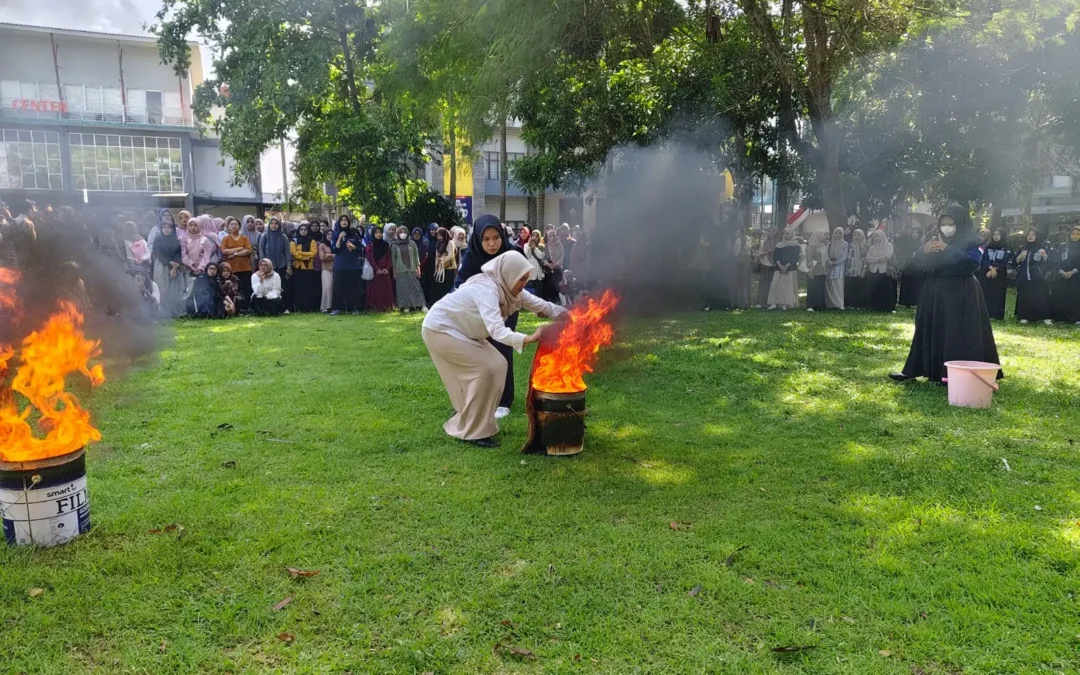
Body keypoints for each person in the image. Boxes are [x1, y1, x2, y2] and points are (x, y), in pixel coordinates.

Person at [422, 252, 567, 448]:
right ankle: (474, 431)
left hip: (463, 332)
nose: (524, 282)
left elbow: (544, 306)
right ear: (508, 273)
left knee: (499, 365)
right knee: (487, 368)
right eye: (521, 277)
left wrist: (575, 316)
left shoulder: (510, 289)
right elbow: (496, 330)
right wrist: (528, 338)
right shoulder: (487, 289)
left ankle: (474, 420)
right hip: (440, 329)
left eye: (526, 277)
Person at [890, 204, 1001, 384]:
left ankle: (953, 374)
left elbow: (972, 263)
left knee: (956, 333)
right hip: (934, 293)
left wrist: (947, 249)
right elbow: (914, 266)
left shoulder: (973, 241)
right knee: (927, 329)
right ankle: (915, 369)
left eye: (951, 223)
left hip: (961, 293)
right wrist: (922, 252)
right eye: (943, 223)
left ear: (960, 223)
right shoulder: (933, 240)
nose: (946, 227)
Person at [455, 214, 519, 418]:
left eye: (496, 238)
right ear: (478, 239)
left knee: (502, 350)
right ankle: (480, 395)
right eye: (486, 239)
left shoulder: (511, 255)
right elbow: (459, 285)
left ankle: (504, 400)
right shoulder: (471, 258)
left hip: (506, 310)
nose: (492, 244)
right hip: (478, 314)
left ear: (502, 236)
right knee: (479, 353)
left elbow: (521, 285)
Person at [151, 218, 188, 318]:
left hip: (175, 267)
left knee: (175, 290)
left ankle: (175, 312)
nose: (167, 230)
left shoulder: (176, 240)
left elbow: (178, 254)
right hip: (162, 266)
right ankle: (163, 312)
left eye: (169, 228)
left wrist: (175, 267)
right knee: (163, 289)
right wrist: (169, 263)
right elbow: (157, 252)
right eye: (164, 227)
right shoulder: (158, 239)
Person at [1014, 228, 1052, 325]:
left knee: (1040, 297)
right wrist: (1018, 258)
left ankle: (1045, 317)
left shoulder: (1042, 248)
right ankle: (1024, 317)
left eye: (1033, 235)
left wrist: (1045, 256)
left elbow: (1050, 263)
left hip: (1037, 278)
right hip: (1024, 277)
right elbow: (1013, 263)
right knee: (1024, 297)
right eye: (1028, 235)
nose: (1030, 236)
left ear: (1037, 237)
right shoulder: (1022, 248)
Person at [331, 214, 365, 315]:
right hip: (340, 265)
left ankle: (354, 308)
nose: (344, 222)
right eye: (342, 220)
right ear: (339, 222)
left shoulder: (354, 234)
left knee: (354, 288)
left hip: (353, 265)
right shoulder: (336, 234)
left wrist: (354, 247)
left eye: (346, 220)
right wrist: (339, 238)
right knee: (338, 287)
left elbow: (361, 250)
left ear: (349, 222)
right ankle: (337, 308)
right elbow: (335, 250)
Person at [391, 224, 425, 312]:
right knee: (403, 288)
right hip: (400, 269)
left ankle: (421, 305)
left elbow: (416, 256)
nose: (403, 234)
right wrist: (394, 271)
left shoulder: (412, 243)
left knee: (415, 287)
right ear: (398, 233)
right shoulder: (394, 245)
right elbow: (393, 259)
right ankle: (406, 306)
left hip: (412, 268)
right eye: (401, 232)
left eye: (404, 232)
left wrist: (418, 268)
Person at [1051, 225, 1080, 325]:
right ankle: (1060, 317)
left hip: (1076, 276)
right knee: (1060, 295)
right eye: (1073, 233)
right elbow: (1056, 260)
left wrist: (1073, 271)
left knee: (1074, 297)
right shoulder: (1063, 246)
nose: (1074, 236)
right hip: (1062, 275)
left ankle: (1075, 318)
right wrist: (1061, 271)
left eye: (1077, 234)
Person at [221, 217, 254, 302]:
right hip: (232, 268)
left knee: (246, 287)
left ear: (239, 226)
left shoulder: (244, 238)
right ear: (228, 226)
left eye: (236, 224)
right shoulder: (226, 239)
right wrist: (239, 248)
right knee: (234, 288)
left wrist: (234, 254)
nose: (234, 226)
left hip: (245, 267)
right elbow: (224, 251)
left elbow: (248, 250)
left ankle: (247, 306)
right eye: (231, 224)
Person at [864, 229, 897, 312]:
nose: (875, 238)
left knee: (886, 289)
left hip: (885, 271)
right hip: (874, 270)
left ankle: (887, 307)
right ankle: (875, 307)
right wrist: (879, 259)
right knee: (874, 289)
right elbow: (868, 258)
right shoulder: (871, 247)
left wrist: (874, 259)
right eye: (874, 236)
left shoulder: (889, 245)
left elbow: (887, 257)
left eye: (877, 236)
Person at [767, 228, 800, 310]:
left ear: (791, 234)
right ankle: (774, 302)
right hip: (779, 268)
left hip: (790, 268)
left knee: (787, 286)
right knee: (776, 284)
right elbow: (776, 256)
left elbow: (794, 258)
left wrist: (786, 266)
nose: (785, 235)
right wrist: (780, 266)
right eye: (784, 233)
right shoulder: (779, 245)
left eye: (787, 233)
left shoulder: (795, 246)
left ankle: (786, 303)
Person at [290, 222, 320, 312]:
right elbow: (294, 254)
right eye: (301, 230)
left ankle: (308, 308)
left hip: (308, 269)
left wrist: (301, 253)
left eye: (305, 230)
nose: (303, 231)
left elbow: (313, 253)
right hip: (297, 268)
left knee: (308, 289)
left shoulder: (312, 241)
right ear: (299, 231)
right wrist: (305, 256)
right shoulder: (294, 241)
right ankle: (299, 308)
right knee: (298, 289)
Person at [981, 228, 1010, 320]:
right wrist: (990, 268)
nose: (996, 236)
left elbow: (1006, 260)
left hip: (1000, 274)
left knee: (998, 294)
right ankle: (987, 313)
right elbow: (984, 258)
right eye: (994, 235)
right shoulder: (989, 246)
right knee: (988, 293)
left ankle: (997, 315)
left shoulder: (1007, 247)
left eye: (998, 234)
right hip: (988, 273)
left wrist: (995, 269)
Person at [365, 226, 395, 311]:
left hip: (385, 271)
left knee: (385, 289)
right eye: (376, 233)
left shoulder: (385, 244)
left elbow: (389, 257)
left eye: (380, 232)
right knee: (375, 289)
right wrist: (376, 268)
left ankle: (387, 306)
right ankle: (375, 307)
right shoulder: (370, 244)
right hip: (375, 271)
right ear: (373, 234)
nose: (378, 234)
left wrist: (387, 268)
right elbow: (370, 257)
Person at [429, 227, 457, 306]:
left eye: (440, 235)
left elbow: (451, 255)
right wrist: (436, 265)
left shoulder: (450, 243)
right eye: (438, 236)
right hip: (440, 268)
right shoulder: (438, 243)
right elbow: (437, 256)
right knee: (438, 285)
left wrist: (442, 259)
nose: (439, 237)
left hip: (448, 268)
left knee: (447, 285)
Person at [897, 227, 925, 307]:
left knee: (917, 284)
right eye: (913, 233)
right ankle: (906, 302)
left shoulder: (921, 243)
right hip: (908, 266)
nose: (915, 235)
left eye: (917, 233)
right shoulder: (908, 242)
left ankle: (916, 301)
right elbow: (903, 252)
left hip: (918, 266)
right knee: (907, 284)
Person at [181, 215, 215, 280]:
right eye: (191, 225)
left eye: (195, 225)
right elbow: (183, 253)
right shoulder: (185, 239)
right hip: (188, 268)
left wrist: (201, 267)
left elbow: (206, 256)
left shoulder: (205, 240)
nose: (193, 227)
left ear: (199, 226)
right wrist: (190, 264)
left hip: (202, 269)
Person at [825, 227, 848, 310]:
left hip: (839, 267)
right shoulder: (829, 243)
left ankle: (839, 304)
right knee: (830, 284)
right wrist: (829, 261)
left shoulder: (845, 244)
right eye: (836, 233)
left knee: (838, 285)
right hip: (830, 267)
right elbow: (826, 254)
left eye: (840, 233)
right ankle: (830, 304)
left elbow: (844, 256)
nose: (837, 235)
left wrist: (835, 262)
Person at [755, 228, 777, 307]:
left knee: (773, 284)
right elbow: (759, 254)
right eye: (770, 231)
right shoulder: (764, 242)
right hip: (765, 264)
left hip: (775, 265)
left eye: (773, 231)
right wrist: (767, 252)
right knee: (764, 284)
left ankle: (772, 302)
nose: (771, 233)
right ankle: (762, 302)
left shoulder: (778, 243)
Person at [806, 231, 827, 311]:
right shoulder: (812, 245)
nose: (825, 237)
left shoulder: (823, 245)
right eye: (823, 235)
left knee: (820, 288)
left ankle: (819, 305)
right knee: (813, 287)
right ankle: (811, 305)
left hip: (822, 269)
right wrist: (810, 268)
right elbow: (809, 257)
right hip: (814, 269)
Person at [845, 229, 867, 309]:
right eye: (855, 235)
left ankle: (860, 305)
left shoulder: (865, 245)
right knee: (852, 287)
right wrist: (849, 267)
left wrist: (864, 269)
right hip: (852, 268)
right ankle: (852, 304)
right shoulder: (851, 245)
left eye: (858, 235)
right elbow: (849, 257)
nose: (856, 237)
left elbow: (866, 258)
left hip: (861, 268)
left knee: (861, 287)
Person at [318, 222, 335, 312]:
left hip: (335, 269)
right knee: (327, 287)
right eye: (328, 234)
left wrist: (329, 255)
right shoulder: (322, 245)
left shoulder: (335, 244)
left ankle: (332, 306)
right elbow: (322, 257)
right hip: (326, 269)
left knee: (333, 287)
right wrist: (332, 255)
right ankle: (324, 306)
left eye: (332, 234)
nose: (330, 236)